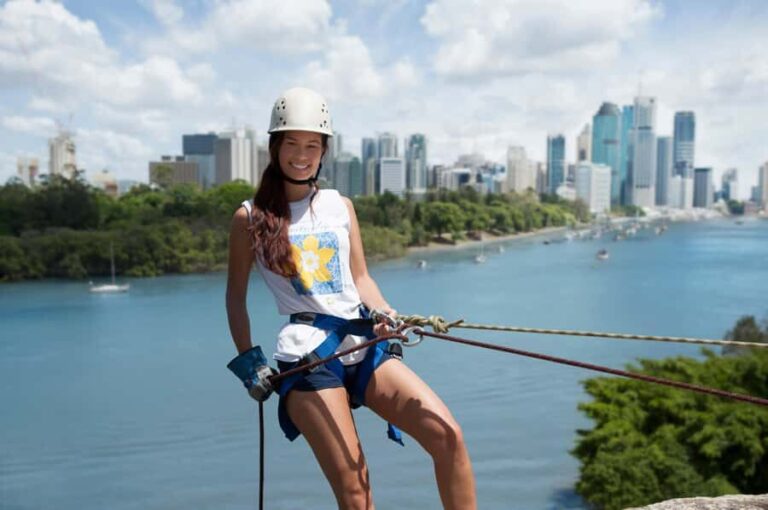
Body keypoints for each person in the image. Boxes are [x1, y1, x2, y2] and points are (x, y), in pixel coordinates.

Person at [226, 87, 476, 510]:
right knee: (356, 491)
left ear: (324, 151)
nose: (302, 155)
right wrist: (251, 365)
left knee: (447, 436)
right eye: (292, 144)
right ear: (275, 147)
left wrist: (385, 313)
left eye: (313, 145)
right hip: (308, 357)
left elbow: (361, 278)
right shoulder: (249, 218)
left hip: (362, 342)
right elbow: (235, 299)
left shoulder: (340, 206)